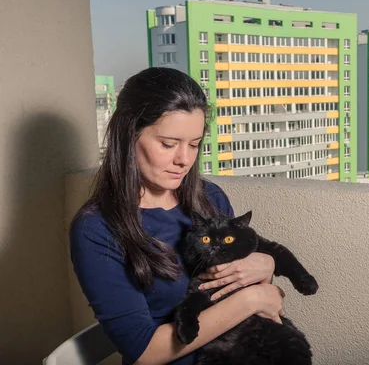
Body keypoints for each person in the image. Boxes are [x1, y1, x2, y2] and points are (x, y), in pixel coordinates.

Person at [70, 67, 285, 365]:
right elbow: (142, 351)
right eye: (168, 144)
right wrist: (252, 300)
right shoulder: (96, 228)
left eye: (194, 144)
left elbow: (236, 282)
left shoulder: (210, 198)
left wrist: (266, 265)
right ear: (128, 136)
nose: (184, 160)